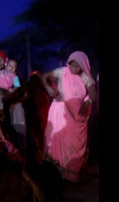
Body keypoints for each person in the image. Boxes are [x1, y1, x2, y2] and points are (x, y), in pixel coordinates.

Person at [40, 51, 97, 183]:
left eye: (78, 66)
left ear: (83, 66)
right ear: (68, 63)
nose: (74, 69)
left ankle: (71, 175)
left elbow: (93, 94)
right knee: (56, 140)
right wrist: (49, 89)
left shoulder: (86, 77)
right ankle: (55, 172)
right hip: (60, 112)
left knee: (74, 145)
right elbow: (44, 76)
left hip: (77, 118)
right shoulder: (62, 72)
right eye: (72, 65)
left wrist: (87, 102)